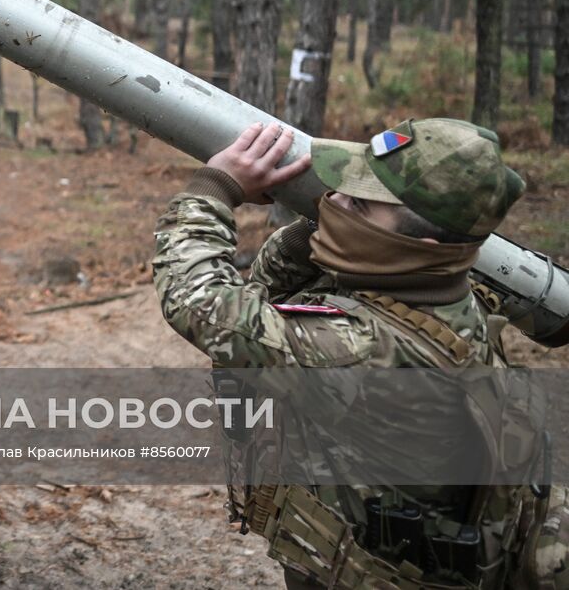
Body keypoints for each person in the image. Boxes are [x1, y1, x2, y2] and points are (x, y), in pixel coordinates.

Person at [151, 118, 553, 588]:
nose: (332, 199)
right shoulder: (445, 291)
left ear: (414, 244)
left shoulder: (364, 350)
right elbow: (271, 290)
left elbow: (198, 301)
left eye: (357, 202)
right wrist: (323, 229)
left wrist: (216, 186)